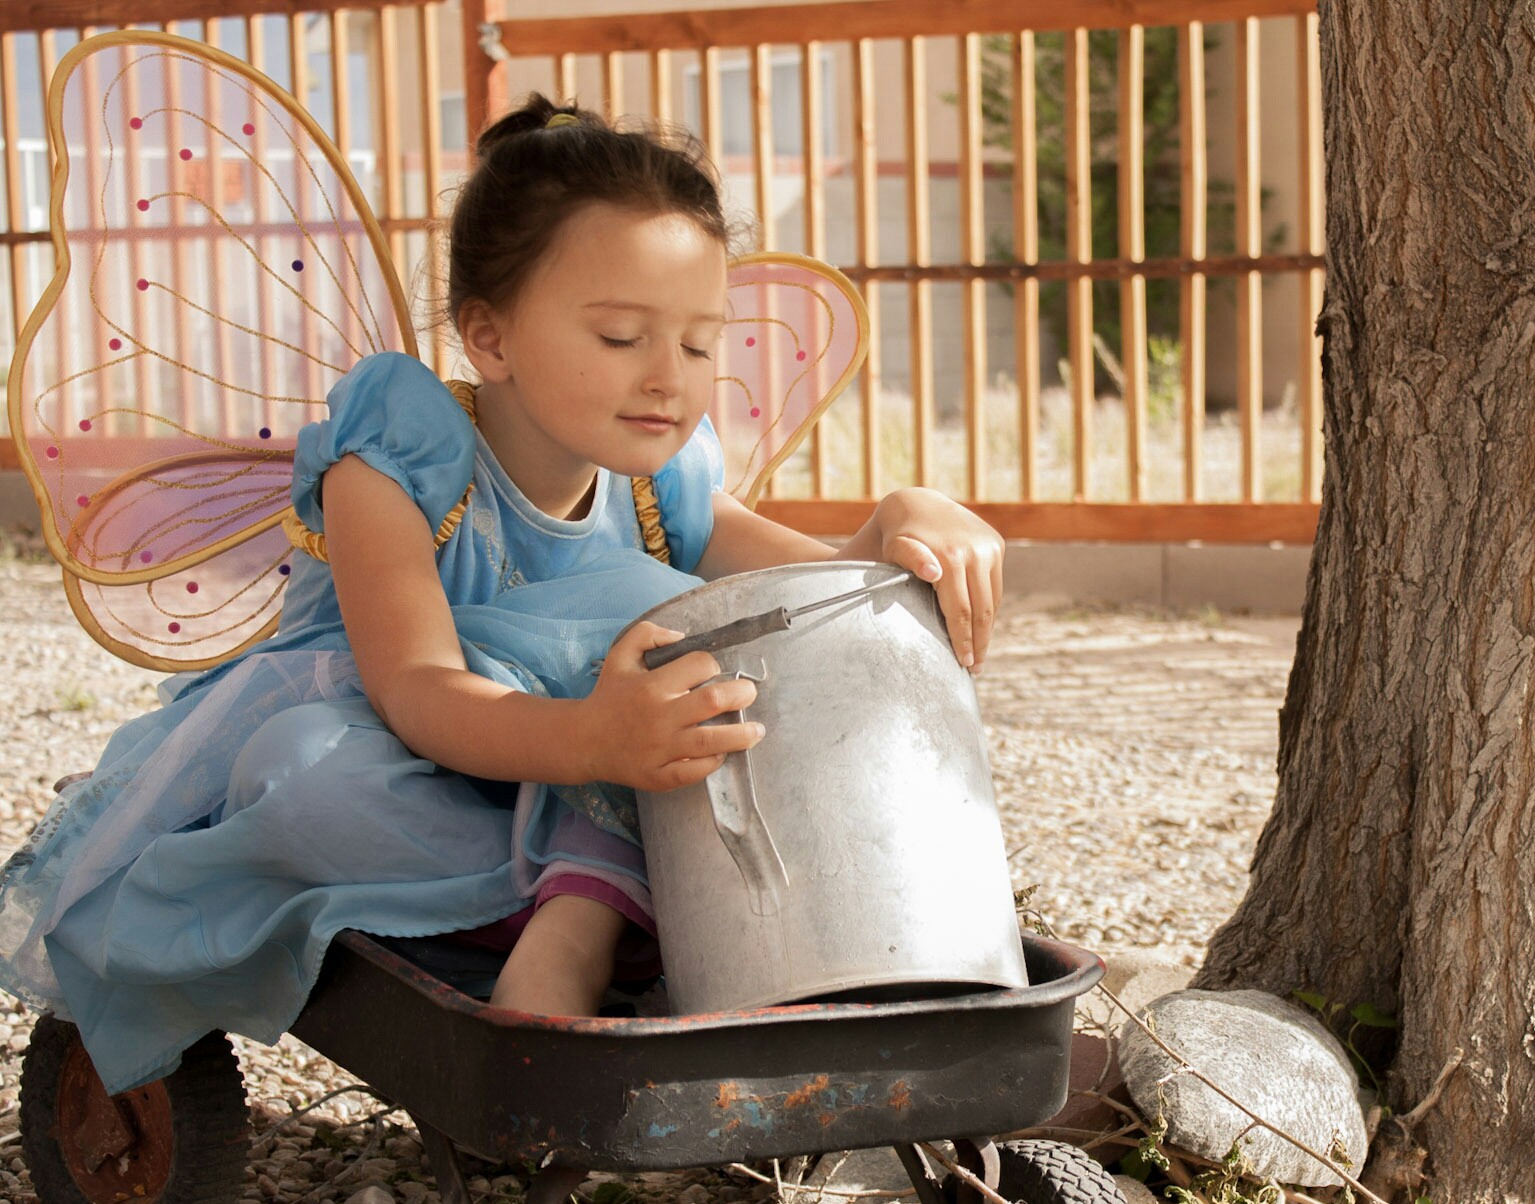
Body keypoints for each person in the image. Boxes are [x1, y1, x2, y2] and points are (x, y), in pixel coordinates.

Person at [0, 96, 1004, 1095]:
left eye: (701, 344)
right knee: (298, 772)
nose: (670, 378)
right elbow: (418, 690)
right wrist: (593, 744)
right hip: (417, 760)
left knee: (720, 681)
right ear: (489, 335)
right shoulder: (399, 454)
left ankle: (585, 913)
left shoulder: (662, 483)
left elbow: (811, 597)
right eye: (620, 336)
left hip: (588, 794)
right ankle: (605, 915)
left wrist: (908, 518)